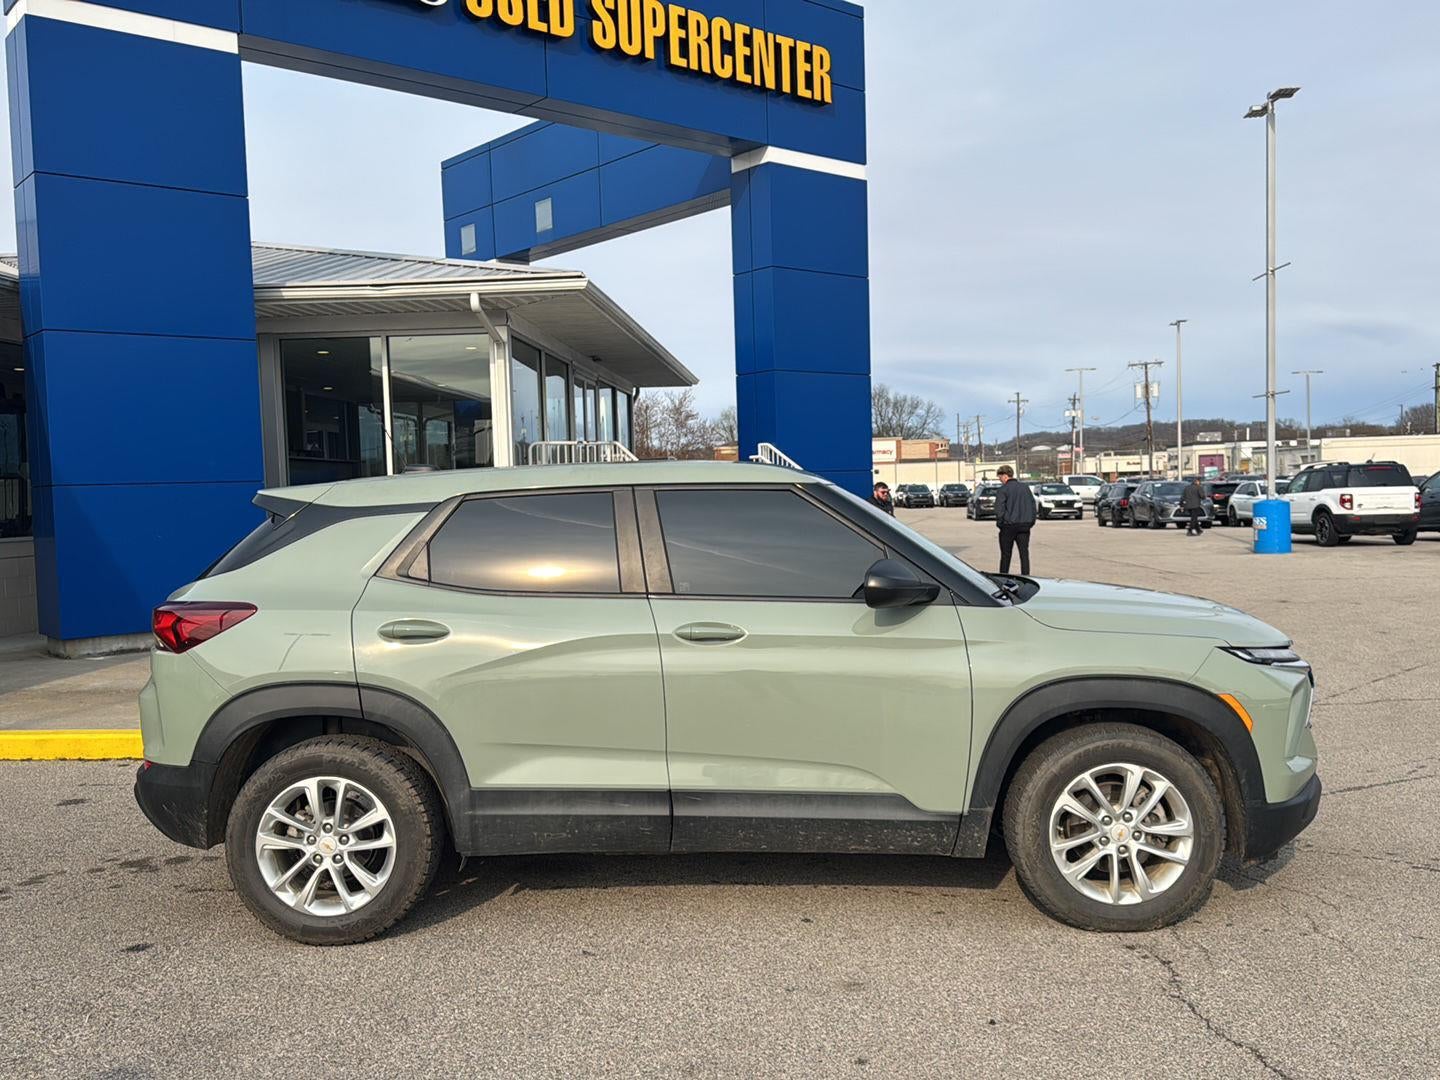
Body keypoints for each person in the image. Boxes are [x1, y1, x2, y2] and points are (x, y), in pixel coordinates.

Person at [994, 465, 1036, 575]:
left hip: (1008, 526)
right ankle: (1026, 576)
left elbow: (999, 509)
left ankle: (1003, 576)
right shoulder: (1025, 488)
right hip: (1024, 525)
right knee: (1024, 554)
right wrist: (1031, 522)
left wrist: (1001, 523)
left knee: (1006, 555)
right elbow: (1032, 505)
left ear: (1005, 476)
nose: (1000, 480)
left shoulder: (1003, 490)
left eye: (1000, 477)